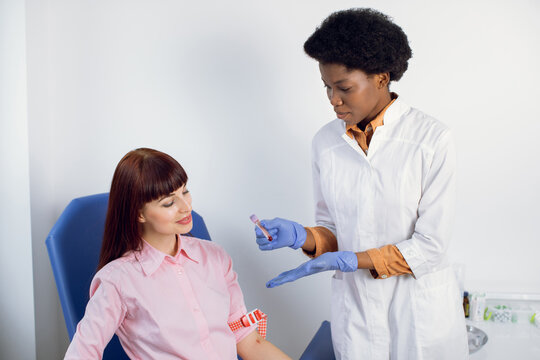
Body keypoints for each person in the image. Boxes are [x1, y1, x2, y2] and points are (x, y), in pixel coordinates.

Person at [254, 8, 469, 360]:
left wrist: (352, 260)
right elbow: (333, 230)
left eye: (344, 88)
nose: (333, 100)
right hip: (357, 316)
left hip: (418, 314)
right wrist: (303, 237)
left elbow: (430, 246)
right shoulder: (325, 143)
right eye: (326, 87)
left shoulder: (431, 140)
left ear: (381, 78)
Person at [65, 148, 290, 360]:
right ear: (139, 214)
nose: (186, 207)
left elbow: (247, 340)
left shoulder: (215, 257)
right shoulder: (118, 281)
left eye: (185, 191)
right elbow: (82, 353)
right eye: (169, 202)